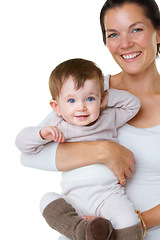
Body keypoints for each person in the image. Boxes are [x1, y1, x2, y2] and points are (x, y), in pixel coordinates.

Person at [16, 0, 160, 239]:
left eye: (136, 29)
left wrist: (129, 223)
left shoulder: (97, 97)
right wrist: (103, 150)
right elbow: (30, 155)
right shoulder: (86, 95)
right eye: (113, 34)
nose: (125, 43)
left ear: (158, 33)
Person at [16, 58, 143, 239]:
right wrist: (42, 134)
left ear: (102, 99)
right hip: (74, 198)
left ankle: (99, 232)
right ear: (56, 107)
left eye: (89, 98)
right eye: (71, 100)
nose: (81, 107)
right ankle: (81, 231)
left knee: (129, 221)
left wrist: (103, 97)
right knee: (47, 200)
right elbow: (22, 144)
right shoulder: (58, 125)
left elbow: (134, 104)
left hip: (108, 194)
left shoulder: (108, 117)